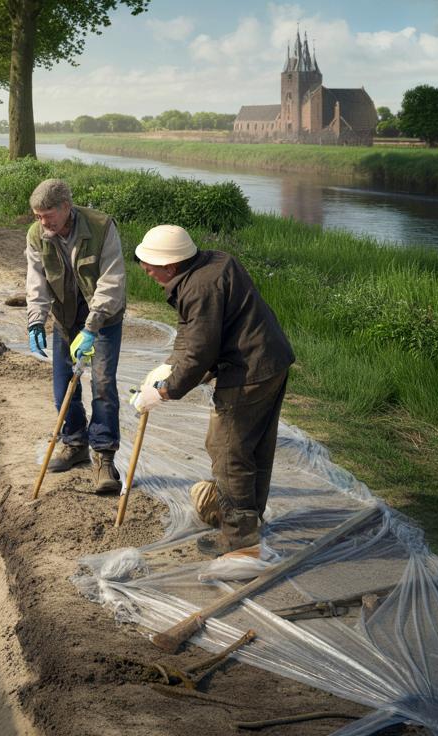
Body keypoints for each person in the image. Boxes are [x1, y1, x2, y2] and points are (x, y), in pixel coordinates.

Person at [130, 225, 295, 556]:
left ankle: (238, 535)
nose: (146, 272)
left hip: (248, 371)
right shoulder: (213, 262)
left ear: (170, 266)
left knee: (228, 449)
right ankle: (250, 517)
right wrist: (169, 366)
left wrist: (165, 392)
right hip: (270, 360)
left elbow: (200, 352)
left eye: (150, 267)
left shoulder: (200, 287)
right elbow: (190, 330)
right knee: (255, 445)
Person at [25, 179, 127, 493]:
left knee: (103, 386)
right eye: (38, 216)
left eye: (48, 215)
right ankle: (74, 443)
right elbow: (36, 281)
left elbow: (111, 281)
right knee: (62, 389)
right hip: (66, 319)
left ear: (66, 207)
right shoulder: (36, 235)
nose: (43, 222)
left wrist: (92, 328)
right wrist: (36, 321)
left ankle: (104, 457)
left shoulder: (101, 227)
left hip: (104, 318)